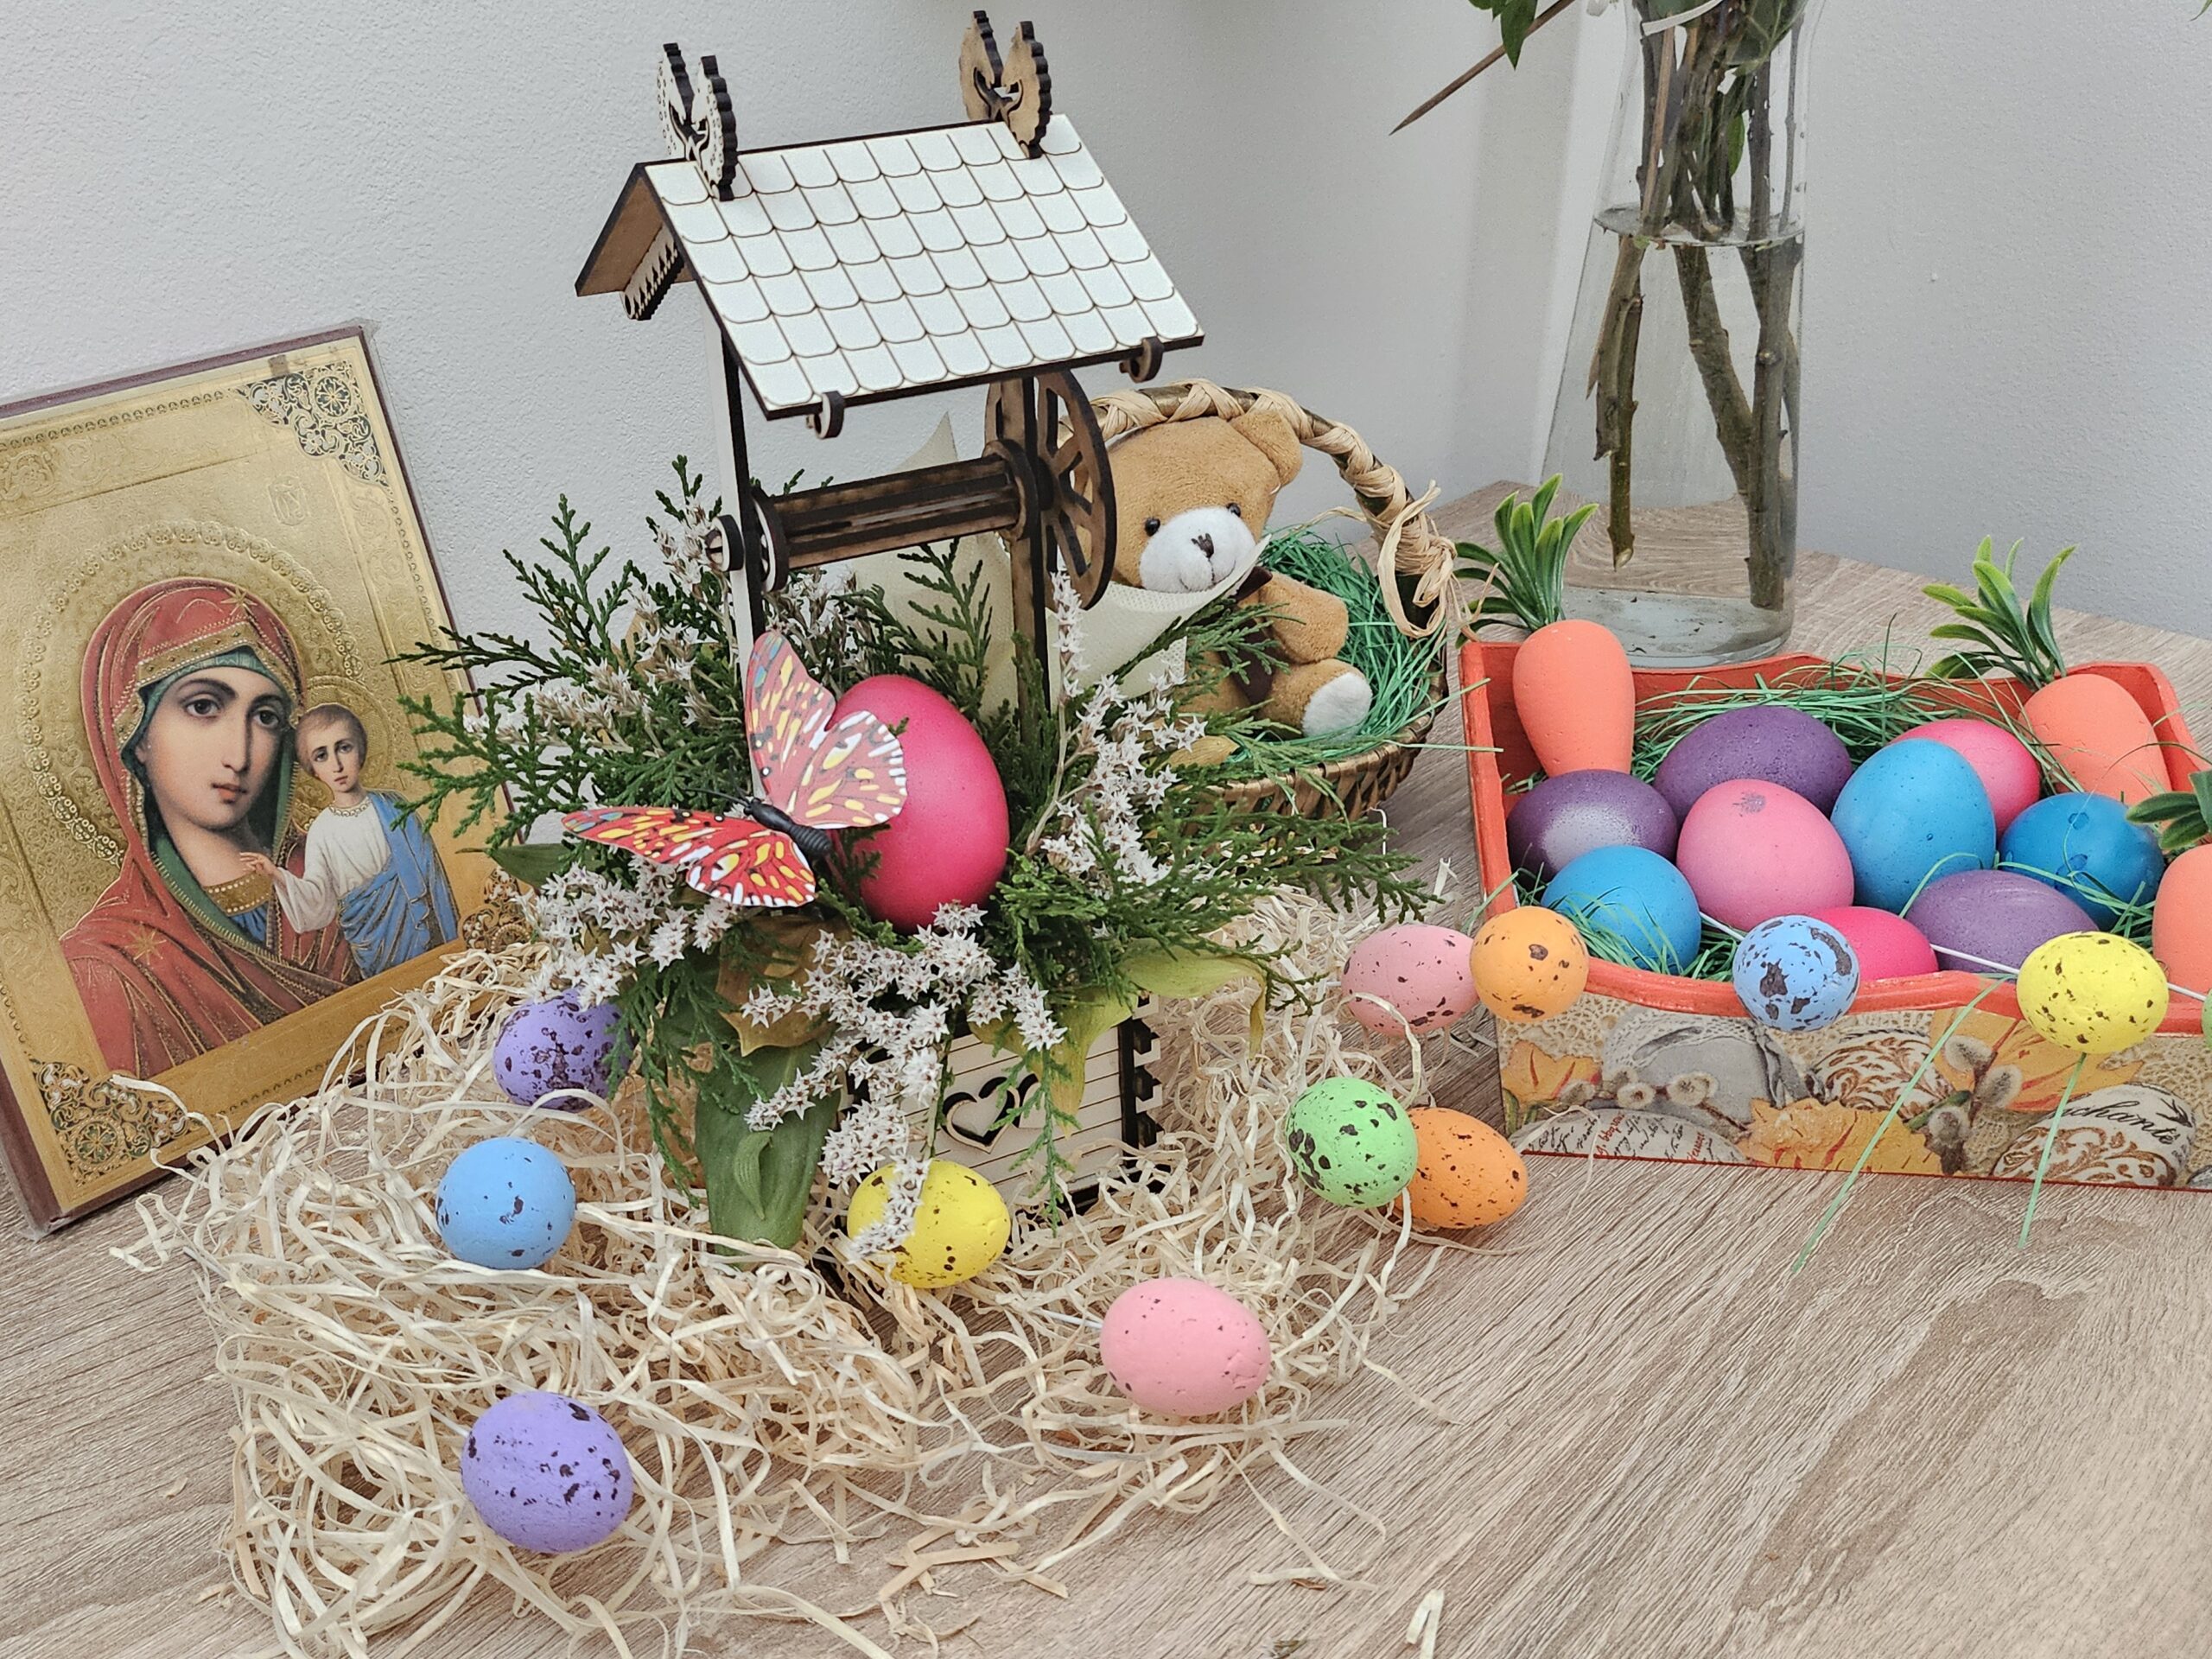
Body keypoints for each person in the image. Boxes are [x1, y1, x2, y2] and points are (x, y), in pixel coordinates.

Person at [61, 579, 358, 1077]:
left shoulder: (345, 871)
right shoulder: (107, 969)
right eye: (203, 707)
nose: (238, 755)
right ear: (136, 735)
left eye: (265, 717)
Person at [239, 703, 457, 977]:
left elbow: (433, 877)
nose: (337, 765)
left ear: (360, 750)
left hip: (421, 930)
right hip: (371, 944)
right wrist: (276, 875)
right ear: (312, 769)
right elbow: (318, 898)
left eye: (344, 748)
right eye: (321, 756)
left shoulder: (394, 806)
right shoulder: (322, 831)